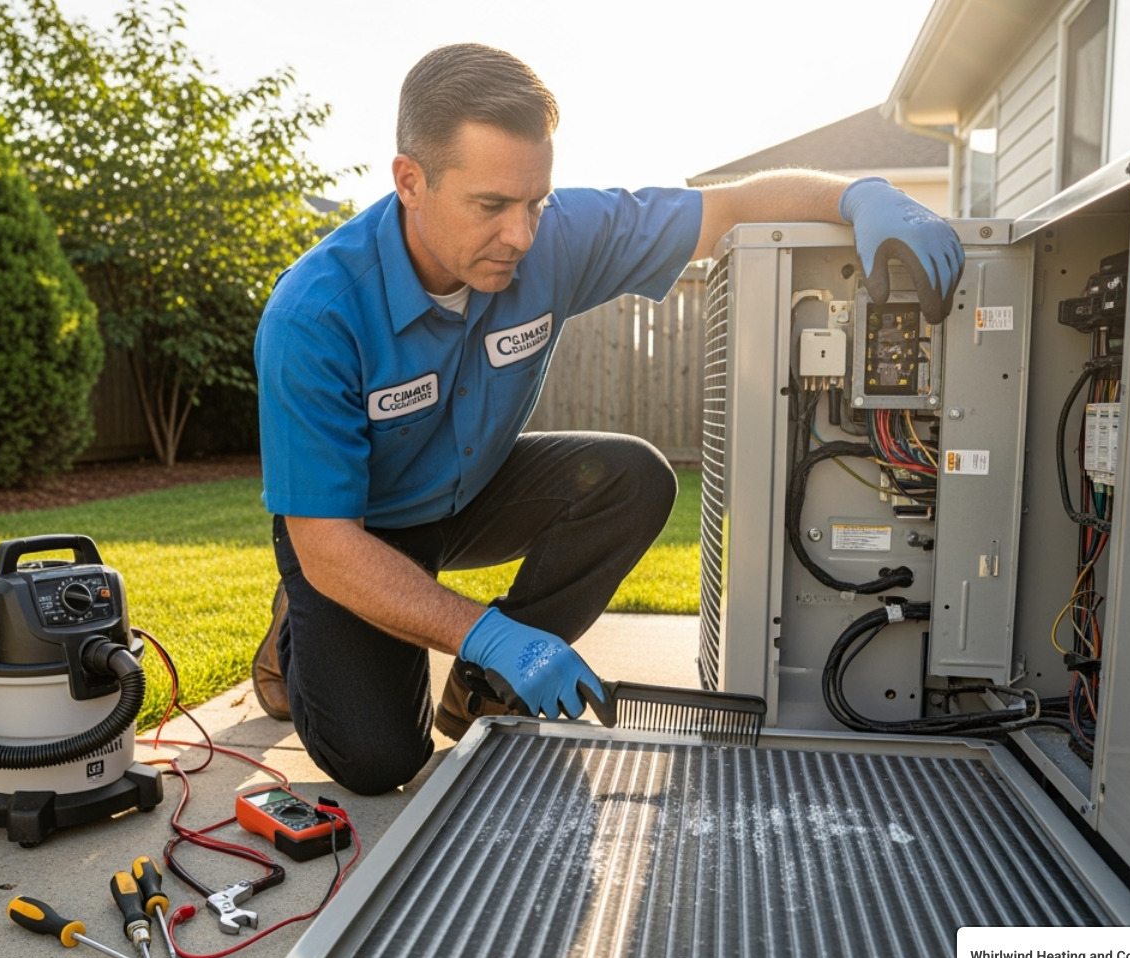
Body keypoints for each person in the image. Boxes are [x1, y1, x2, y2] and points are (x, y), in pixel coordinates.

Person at [252, 43, 963, 794]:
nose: (521, 235)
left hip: (469, 492)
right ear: (410, 182)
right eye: (491, 206)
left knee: (632, 479)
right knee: (379, 761)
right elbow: (327, 544)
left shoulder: (556, 235)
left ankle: (482, 690)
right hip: (353, 530)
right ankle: (299, 627)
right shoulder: (316, 313)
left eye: (534, 202)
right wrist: (489, 629)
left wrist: (863, 197)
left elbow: (727, 210)